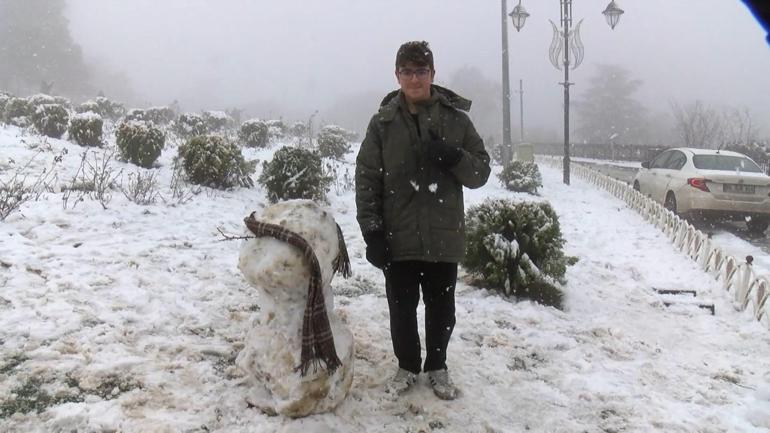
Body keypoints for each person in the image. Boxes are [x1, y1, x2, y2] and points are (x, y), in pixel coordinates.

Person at [355, 41, 491, 400]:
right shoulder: (382, 124)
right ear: (397, 75)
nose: (414, 78)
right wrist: (372, 232)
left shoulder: (457, 121)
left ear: (432, 74)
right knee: (401, 309)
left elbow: (480, 172)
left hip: (443, 237)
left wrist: (452, 156)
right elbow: (367, 178)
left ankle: (437, 367)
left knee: (442, 310)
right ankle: (407, 366)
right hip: (397, 238)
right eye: (407, 71)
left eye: (421, 71)